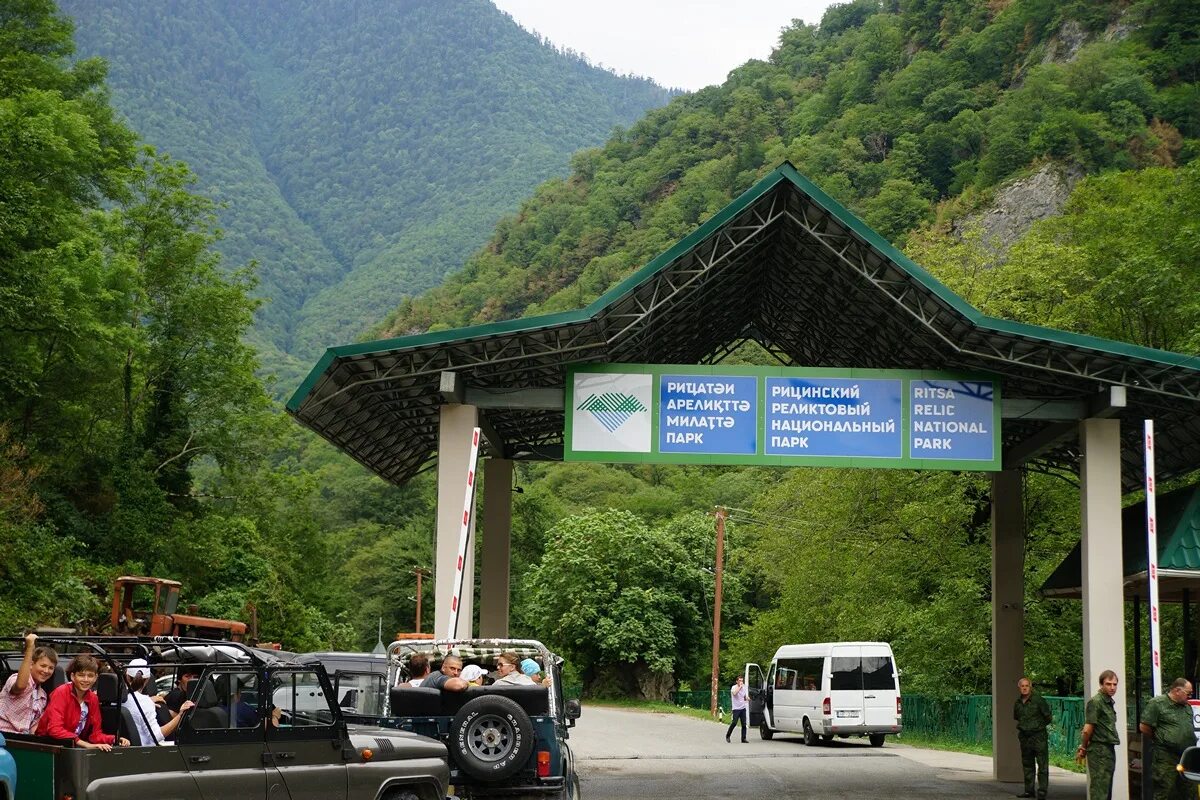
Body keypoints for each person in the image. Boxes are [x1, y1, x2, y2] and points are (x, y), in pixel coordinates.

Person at [37, 654, 130, 749]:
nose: (86, 680)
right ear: (73, 676)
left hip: (72, 748)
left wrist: (114, 739)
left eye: (90, 676)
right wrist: (85, 744)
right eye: (81, 675)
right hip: (49, 746)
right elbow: (54, 729)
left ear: (95, 678)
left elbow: (95, 735)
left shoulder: (93, 698)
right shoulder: (61, 692)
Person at [1139, 677, 1194, 800]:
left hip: (1186, 756)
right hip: (1166, 756)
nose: (1190, 696)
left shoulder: (1187, 707)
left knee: (1190, 791)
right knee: (1165, 790)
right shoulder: (1157, 704)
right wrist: (1161, 738)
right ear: (1177, 691)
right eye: (1188, 693)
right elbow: (1144, 726)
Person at [123, 658, 193, 745]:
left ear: (127, 676)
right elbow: (156, 736)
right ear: (148, 679)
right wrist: (180, 715)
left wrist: (149, 700)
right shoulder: (145, 702)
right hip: (145, 752)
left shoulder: (116, 699)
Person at [0, 633, 57, 734]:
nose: (46, 671)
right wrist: (30, 647)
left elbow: (34, 728)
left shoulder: (42, 696)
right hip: (3, 733)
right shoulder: (14, 679)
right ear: (31, 664)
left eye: (51, 668)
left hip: (22, 739)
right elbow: (21, 686)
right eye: (43, 666)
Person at [1078, 670, 1120, 800]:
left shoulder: (1108, 702)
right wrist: (1083, 748)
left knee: (1106, 789)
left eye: (1114, 684)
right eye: (1108, 684)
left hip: (1108, 749)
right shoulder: (1096, 702)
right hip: (1099, 750)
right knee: (1099, 790)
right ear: (1101, 684)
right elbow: (1087, 729)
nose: (1112, 687)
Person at [1013, 677, 1052, 799]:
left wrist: (1037, 726)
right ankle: (1029, 791)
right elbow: (1017, 717)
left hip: (1039, 737)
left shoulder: (1038, 700)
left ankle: (1042, 792)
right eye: (1022, 686)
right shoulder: (1018, 703)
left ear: (1030, 687)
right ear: (1019, 688)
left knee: (1042, 765)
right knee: (1027, 764)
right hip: (1025, 737)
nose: (1024, 688)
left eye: (1027, 686)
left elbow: (1048, 717)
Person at [726, 675, 748, 743]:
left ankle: (743, 738)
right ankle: (728, 735)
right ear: (737, 681)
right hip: (736, 708)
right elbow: (735, 693)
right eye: (740, 681)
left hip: (743, 708)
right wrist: (740, 687)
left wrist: (747, 698)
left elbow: (744, 697)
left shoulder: (744, 688)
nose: (741, 682)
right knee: (734, 723)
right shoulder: (733, 687)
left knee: (744, 724)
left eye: (742, 680)